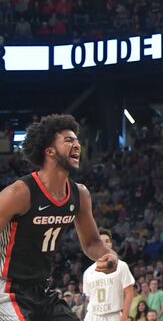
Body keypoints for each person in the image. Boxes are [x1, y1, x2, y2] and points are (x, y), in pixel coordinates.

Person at [0, 114, 118, 320]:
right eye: (69, 140)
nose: (77, 145)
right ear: (50, 151)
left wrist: (108, 255)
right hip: (7, 289)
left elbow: (91, 243)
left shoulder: (80, 194)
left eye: (77, 140)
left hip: (42, 289)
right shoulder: (20, 193)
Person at [83, 228, 135, 321]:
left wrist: (124, 316)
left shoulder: (121, 265)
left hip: (113, 315)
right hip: (92, 315)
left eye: (107, 241)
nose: (105, 244)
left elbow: (129, 293)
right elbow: (88, 298)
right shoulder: (88, 272)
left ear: (111, 244)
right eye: (101, 242)